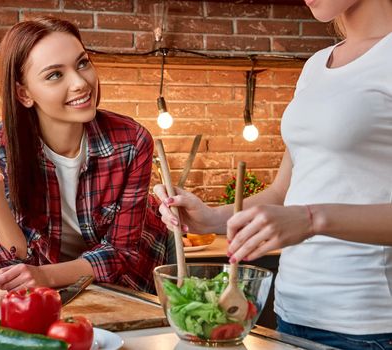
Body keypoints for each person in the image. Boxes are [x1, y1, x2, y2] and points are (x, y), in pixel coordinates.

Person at [153, 0, 392, 348]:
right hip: (292, 313)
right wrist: (212, 218)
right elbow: (283, 192)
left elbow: (302, 212)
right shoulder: (315, 66)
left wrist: (311, 219)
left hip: (368, 324)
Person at [0, 16, 169, 294]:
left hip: (130, 286)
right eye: (55, 74)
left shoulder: (131, 141)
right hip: (55, 292)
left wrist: (45, 276)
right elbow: (15, 259)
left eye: (82, 63)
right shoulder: (2, 146)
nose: (80, 82)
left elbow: (121, 254)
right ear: (24, 93)